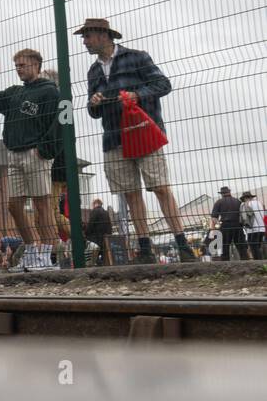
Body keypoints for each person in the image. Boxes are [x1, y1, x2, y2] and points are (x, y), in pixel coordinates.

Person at [78, 17, 191, 264]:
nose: (84, 42)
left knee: (160, 187)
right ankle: (145, 248)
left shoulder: (138, 57)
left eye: (87, 36)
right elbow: (93, 112)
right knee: (130, 194)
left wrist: (136, 95)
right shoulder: (93, 71)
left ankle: (184, 245)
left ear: (103, 35)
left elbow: (163, 84)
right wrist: (94, 103)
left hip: (143, 132)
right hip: (114, 138)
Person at [0, 49, 60, 251]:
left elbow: (56, 124)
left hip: (35, 154)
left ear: (36, 65)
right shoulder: (16, 92)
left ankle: (51, 253)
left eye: (22, 65)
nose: (18, 69)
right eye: (16, 66)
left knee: (42, 205)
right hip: (14, 154)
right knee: (14, 206)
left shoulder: (49, 91)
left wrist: (44, 150)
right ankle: (34, 248)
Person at [210, 186, 247, 261]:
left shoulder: (219, 202)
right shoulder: (237, 201)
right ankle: (245, 261)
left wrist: (219, 224)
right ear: (229, 192)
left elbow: (214, 218)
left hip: (226, 226)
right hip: (238, 225)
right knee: (241, 246)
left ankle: (225, 263)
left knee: (225, 246)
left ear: (222, 194)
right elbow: (243, 214)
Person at [84, 198, 112, 265]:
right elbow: (109, 226)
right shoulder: (106, 213)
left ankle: (94, 262)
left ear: (94, 204)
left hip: (95, 238)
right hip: (104, 238)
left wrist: (86, 233)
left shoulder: (94, 211)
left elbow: (90, 225)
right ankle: (101, 262)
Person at [241, 191, 265, 261]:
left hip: (252, 229)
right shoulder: (259, 203)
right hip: (261, 228)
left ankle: (258, 263)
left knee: (253, 247)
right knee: (258, 246)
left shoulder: (245, 204)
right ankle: (262, 262)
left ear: (245, 198)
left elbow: (244, 217)